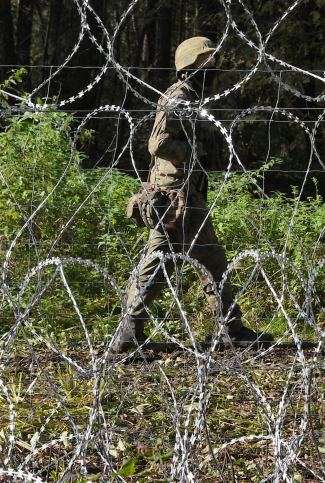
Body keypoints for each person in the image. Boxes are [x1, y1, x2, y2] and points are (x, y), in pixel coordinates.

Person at [113, 37, 274, 351]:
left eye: (213, 58)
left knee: (161, 262)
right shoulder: (179, 96)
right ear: (189, 65)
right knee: (210, 259)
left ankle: (130, 333)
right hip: (177, 196)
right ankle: (231, 330)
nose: (212, 64)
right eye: (205, 59)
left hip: (181, 194)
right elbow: (157, 144)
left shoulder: (194, 97)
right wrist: (193, 153)